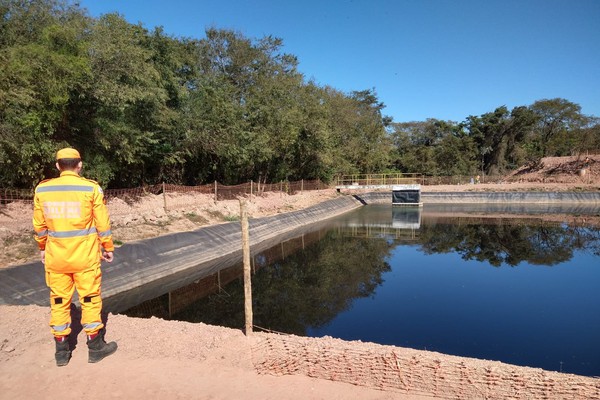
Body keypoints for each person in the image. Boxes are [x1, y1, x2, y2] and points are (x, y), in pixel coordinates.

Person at [33, 147, 117, 366]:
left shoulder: (43, 190)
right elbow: (102, 223)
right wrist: (107, 247)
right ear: (80, 165)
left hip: (56, 257)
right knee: (89, 298)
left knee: (59, 301)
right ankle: (95, 346)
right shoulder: (91, 189)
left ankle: (61, 351)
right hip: (85, 257)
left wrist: (42, 247)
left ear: (57, 166)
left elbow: (40, 227)